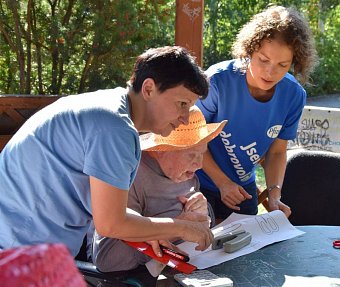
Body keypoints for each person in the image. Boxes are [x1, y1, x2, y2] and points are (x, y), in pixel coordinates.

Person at [0, 46, 214, 257]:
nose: (185, 117)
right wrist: (182, 228)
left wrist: (153, 231)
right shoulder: (115, 127)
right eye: (182, 103)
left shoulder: (110, 109)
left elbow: (108, 210)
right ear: (148, 89)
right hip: (17, 247)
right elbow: (111, 224)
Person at [196, 5, 318, 220]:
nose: (270, 72)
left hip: (243, 186)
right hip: (197, 181)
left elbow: (277, 152)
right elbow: (193, 138)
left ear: (295, 63)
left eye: (282, 65)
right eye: (263, 60)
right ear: (249, 50)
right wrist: (222, 183)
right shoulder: (217, 81)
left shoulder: (294, 95)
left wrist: (274, 194)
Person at [91, 106, 227, 274]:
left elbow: (204, 227)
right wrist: (178, 228)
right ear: (162, 149)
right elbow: (108, 259)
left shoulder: (185, 173)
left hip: (186, 270)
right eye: (192, 155)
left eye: (202, 154)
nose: (199, 165)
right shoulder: (129, 175)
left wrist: (204, 212)